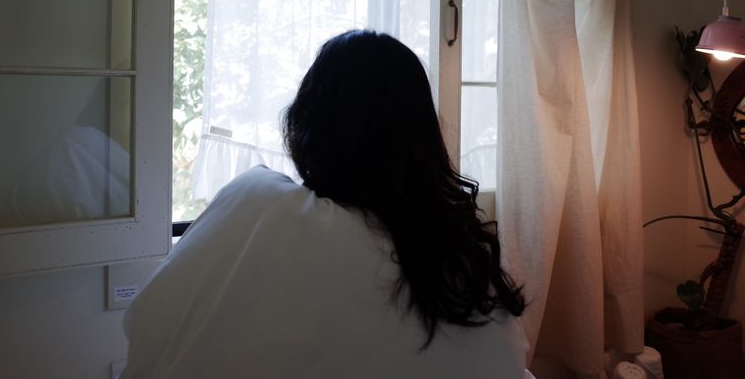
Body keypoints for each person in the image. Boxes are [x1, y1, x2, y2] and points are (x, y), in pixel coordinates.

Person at [122, 30, 528, 378]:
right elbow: (506, 360)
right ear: (423, 139)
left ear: (307, 126)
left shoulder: (258, 206)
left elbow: (147, 324)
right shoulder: (455, 260)